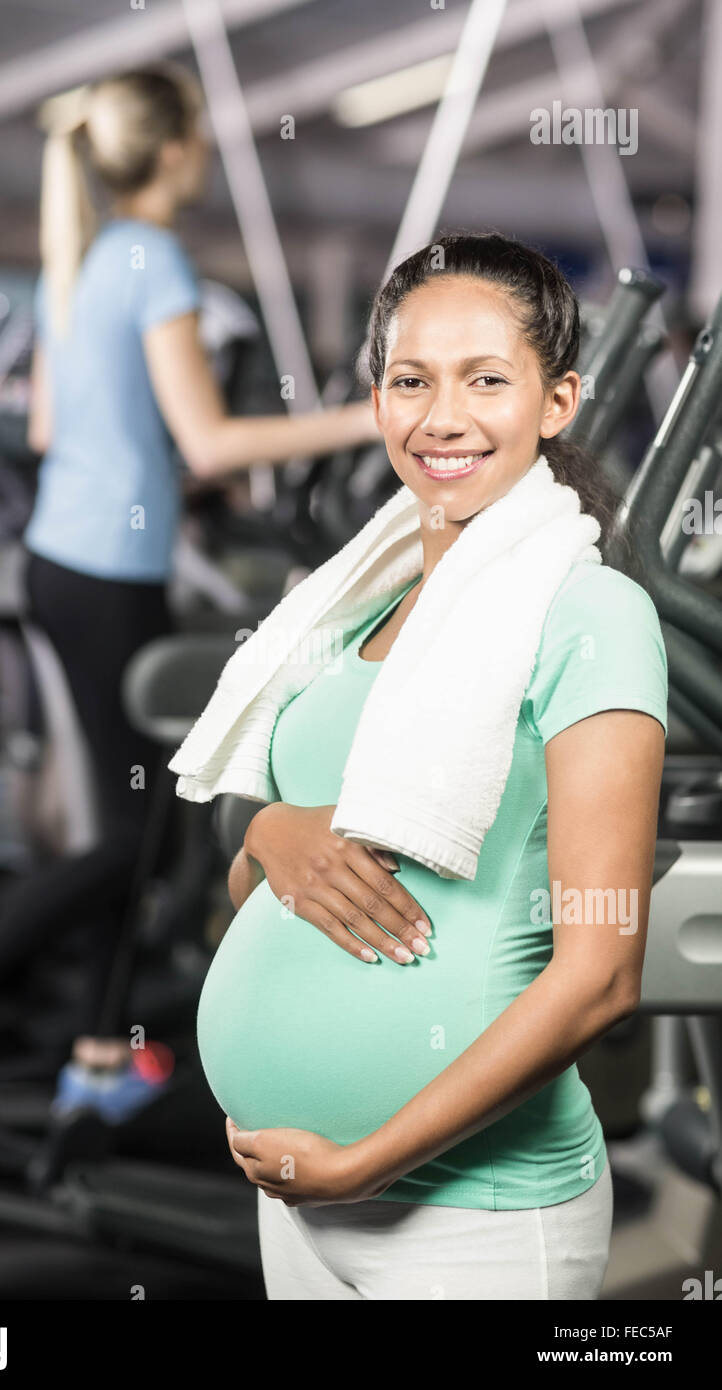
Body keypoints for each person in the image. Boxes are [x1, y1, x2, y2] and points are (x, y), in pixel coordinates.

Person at [0, 62, 379, 1120]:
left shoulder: (81, 260)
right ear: (179, 149)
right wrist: (373, 416)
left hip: (68, 559)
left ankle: (98, 1054)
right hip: (108, 571)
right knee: (142, 831)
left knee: (130, 818)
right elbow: (212, 435)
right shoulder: (151, 258)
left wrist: (158, 461)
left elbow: (57, 431)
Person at [189, 231, 669, 1299]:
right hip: (294, 1195)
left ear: (555, 401)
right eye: (409, 380)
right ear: (376, 400)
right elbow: (262, 879)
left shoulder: (589, 613)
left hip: (470, 1215)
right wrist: (267, 831)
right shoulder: (347, 603)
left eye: (484, 380)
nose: (439, 417)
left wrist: (367, 1161)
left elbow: (599, 979)